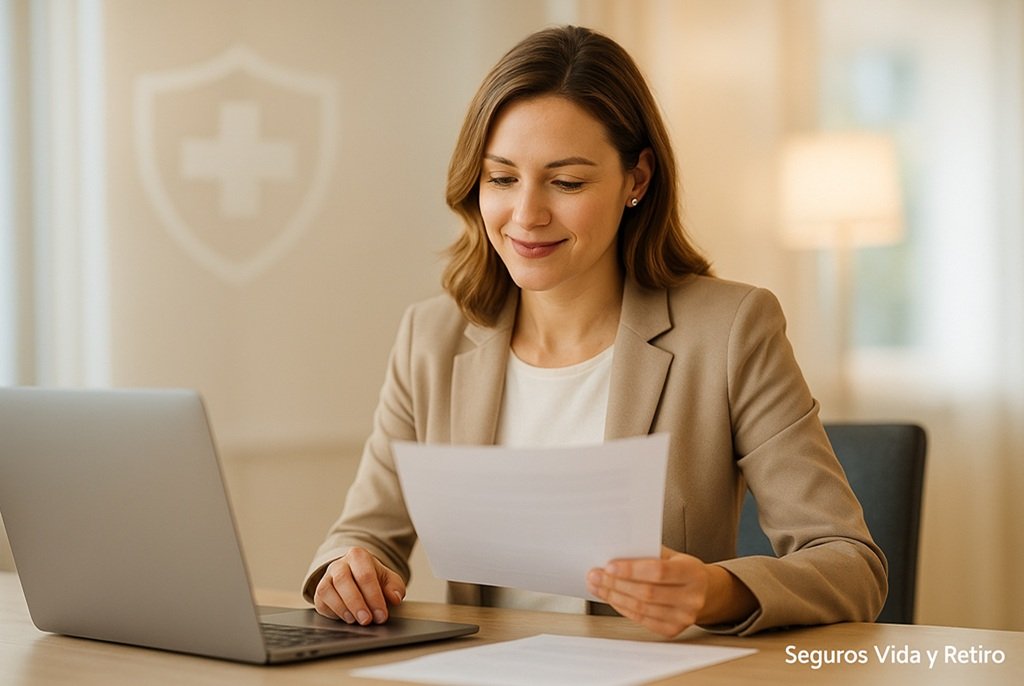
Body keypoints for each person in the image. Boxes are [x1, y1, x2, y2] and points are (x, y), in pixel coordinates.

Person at [304, 25, 887, 637]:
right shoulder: (431, 337)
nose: (526, 215)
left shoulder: (730, 330)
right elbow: (364, 534)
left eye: (567, 182)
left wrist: (715, 591)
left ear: (637, 179)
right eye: (502, 178)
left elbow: (851, 564)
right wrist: (346, 571)